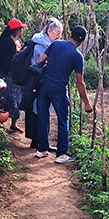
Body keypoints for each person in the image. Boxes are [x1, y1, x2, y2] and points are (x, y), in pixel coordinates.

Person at [35, 25, 93, 164]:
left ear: (70, 33)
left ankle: (41, 150)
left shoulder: (55, 44)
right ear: (83, 41)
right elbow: (80, 82)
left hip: (44, 87)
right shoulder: (77, 56)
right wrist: (86, 102)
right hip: (59, 90)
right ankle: (61, 154)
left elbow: (40, 60)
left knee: (43, 117)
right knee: (62, 120)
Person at [21, 18, 62, 151]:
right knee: (39, 110)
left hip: (35, 80)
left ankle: (36, 140)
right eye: (57, 35)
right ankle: (39, 141)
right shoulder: (42, 45)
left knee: (35, 109)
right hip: (38, 81)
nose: (59, 38)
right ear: (49, 31)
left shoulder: (39, 40)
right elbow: (41, 63)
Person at [0, 18, 27, 133]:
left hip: (16, 73)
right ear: (17, 30)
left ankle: (14, 123)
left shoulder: (18, 41)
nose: (22, 31)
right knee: (4, 97)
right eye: (21, 29)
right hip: (7, 73)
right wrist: (5, 69)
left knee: (15, 97)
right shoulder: (7, 41)